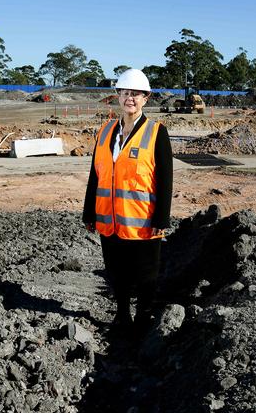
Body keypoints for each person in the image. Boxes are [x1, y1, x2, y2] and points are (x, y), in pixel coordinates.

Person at [82, 68, 173, 336]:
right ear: (117, 96)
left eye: (135, 94)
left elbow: (166, 179)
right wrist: (90, 212)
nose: (129, 98)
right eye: (124, 93)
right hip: (109, 219)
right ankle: (122, 314)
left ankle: (144, 318)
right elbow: (95, 175)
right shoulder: (106, 131)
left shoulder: (157, 133)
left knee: (146, 275)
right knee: (116, 272)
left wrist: (161, 219)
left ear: (146, 98)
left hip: (143, 220)